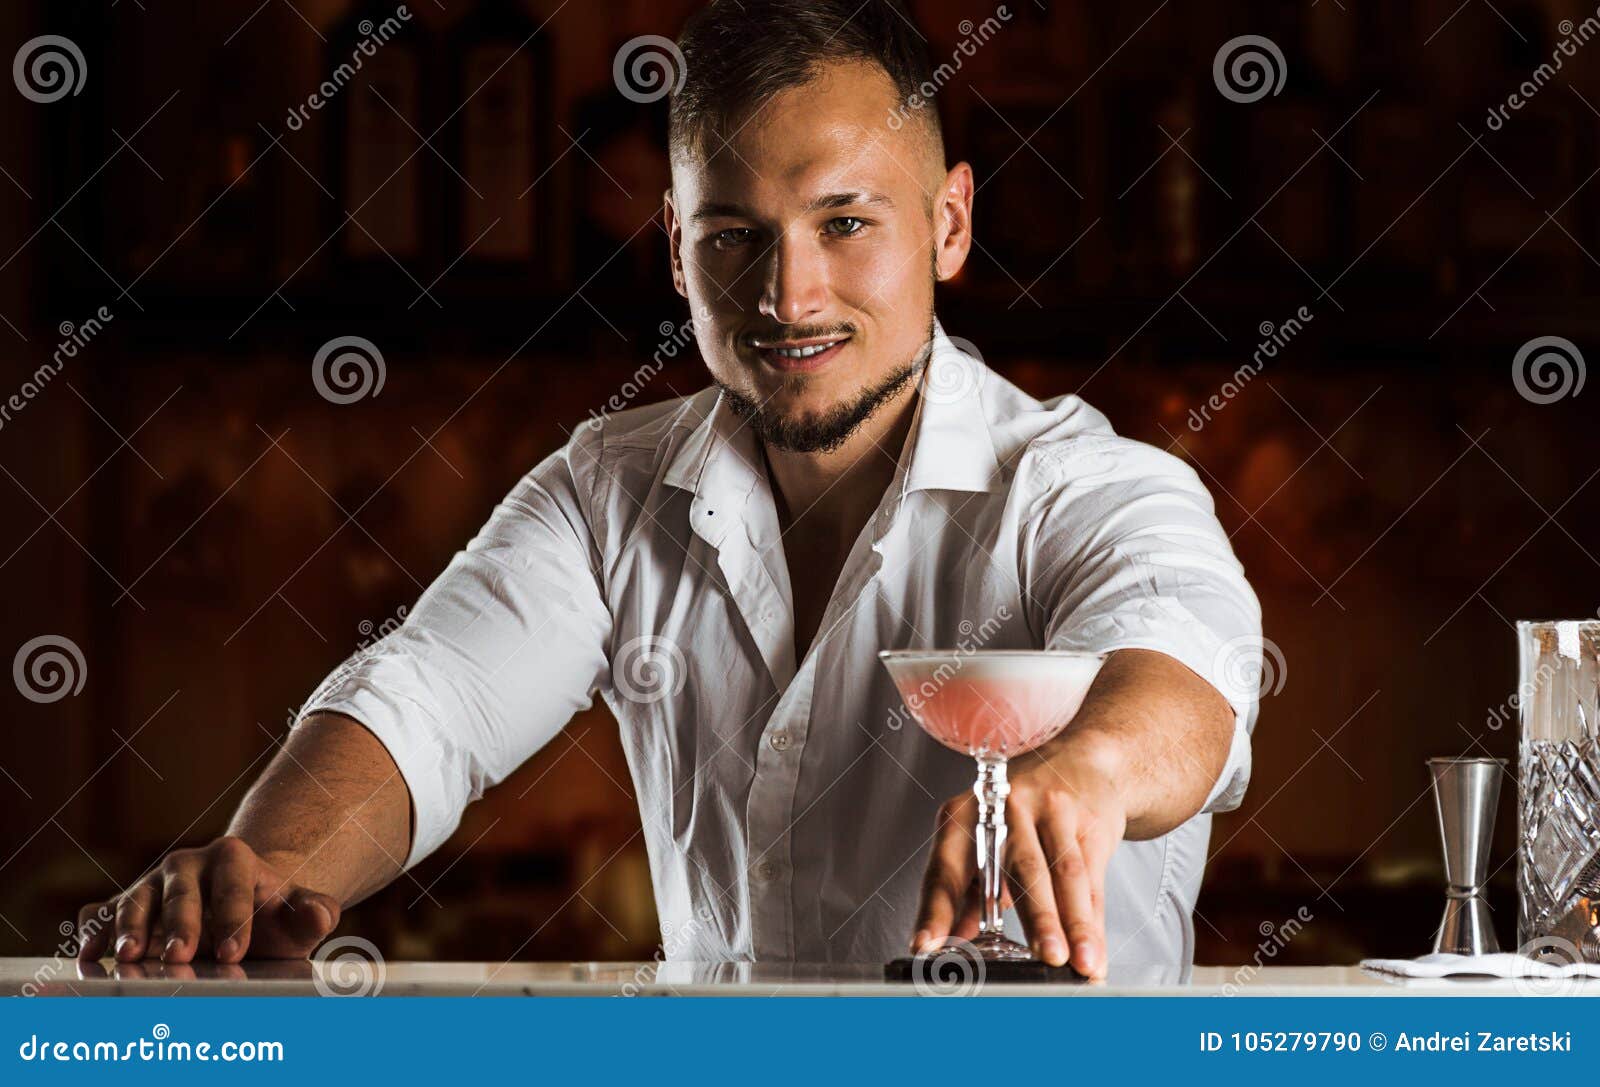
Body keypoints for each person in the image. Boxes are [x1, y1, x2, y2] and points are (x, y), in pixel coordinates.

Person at [76, 0, 1261, 980]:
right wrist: (258, 873)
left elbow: (1181, 675)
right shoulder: (610, 488)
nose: (787, 295)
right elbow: (425, 704)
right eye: (733, 236)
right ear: (674, 241)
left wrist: (1085, 772)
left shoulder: (1091, 486)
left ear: (948, 222)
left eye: (845, 222)